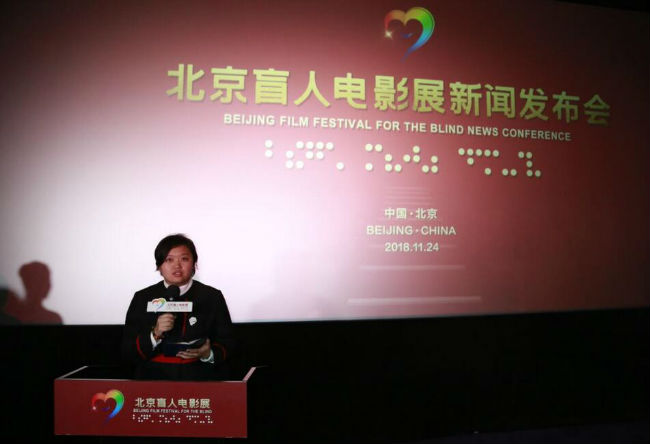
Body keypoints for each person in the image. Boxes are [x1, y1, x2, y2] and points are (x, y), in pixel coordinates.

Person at [121, 234, 235, 380]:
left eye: (184, 259)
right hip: (154, 380)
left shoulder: (211, 296)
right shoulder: (143, 297)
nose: (177, 266)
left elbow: (228, 342)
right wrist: (155, 334)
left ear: (194, 264)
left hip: (200, 380)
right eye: (169, 260)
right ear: (159, 266)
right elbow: (127, 350)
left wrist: (208, 354)